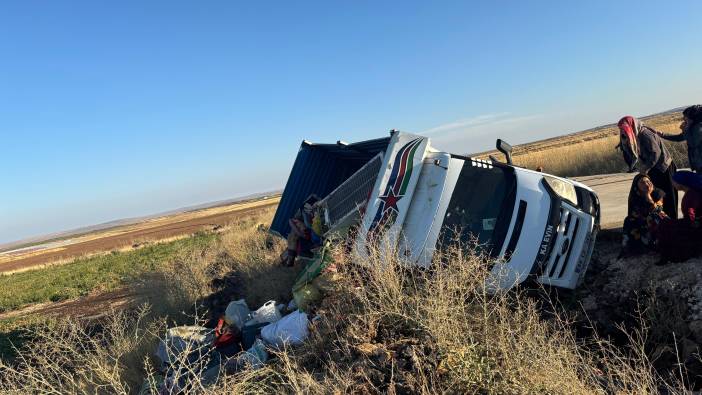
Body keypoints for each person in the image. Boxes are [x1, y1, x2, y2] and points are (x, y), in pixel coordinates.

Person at [618, 116, 678, 219]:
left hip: (664, 168)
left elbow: (656, 153)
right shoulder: (635, 136)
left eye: (624, 128)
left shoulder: (645, 134)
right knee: (658, 196)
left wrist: (645, 168)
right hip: (654, 169)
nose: (623, 131)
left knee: (669, 197)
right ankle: (663, 221)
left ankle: (672, 222)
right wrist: (624, 142)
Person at [657, 171, 702, 263]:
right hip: (695, 223)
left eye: (674, 181)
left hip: (696, 227)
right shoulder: (692, 193)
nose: (672, 183)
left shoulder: (691, 195)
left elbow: (690, 217)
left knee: (664, 225)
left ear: (680, 182)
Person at [621, 174, 669, 256]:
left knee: (654, 217)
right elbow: (634, 213)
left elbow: (657, 210)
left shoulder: (658, 193)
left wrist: (648, 195)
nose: (646, 184)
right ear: (636, 185)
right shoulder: (635, 196)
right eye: (642, 182)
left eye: (648, 181)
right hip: (642, 221)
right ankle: (634, 247)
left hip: (656, 220)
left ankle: (658, 245)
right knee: (628, 220)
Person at [659, 105, 702, 173]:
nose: (683, 118)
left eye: (685, 117)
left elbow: (693, 143)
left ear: (691, 117)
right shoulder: (692, 127)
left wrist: (685, 129)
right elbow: (679, 138)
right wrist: (663, 135)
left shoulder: (698, 127)